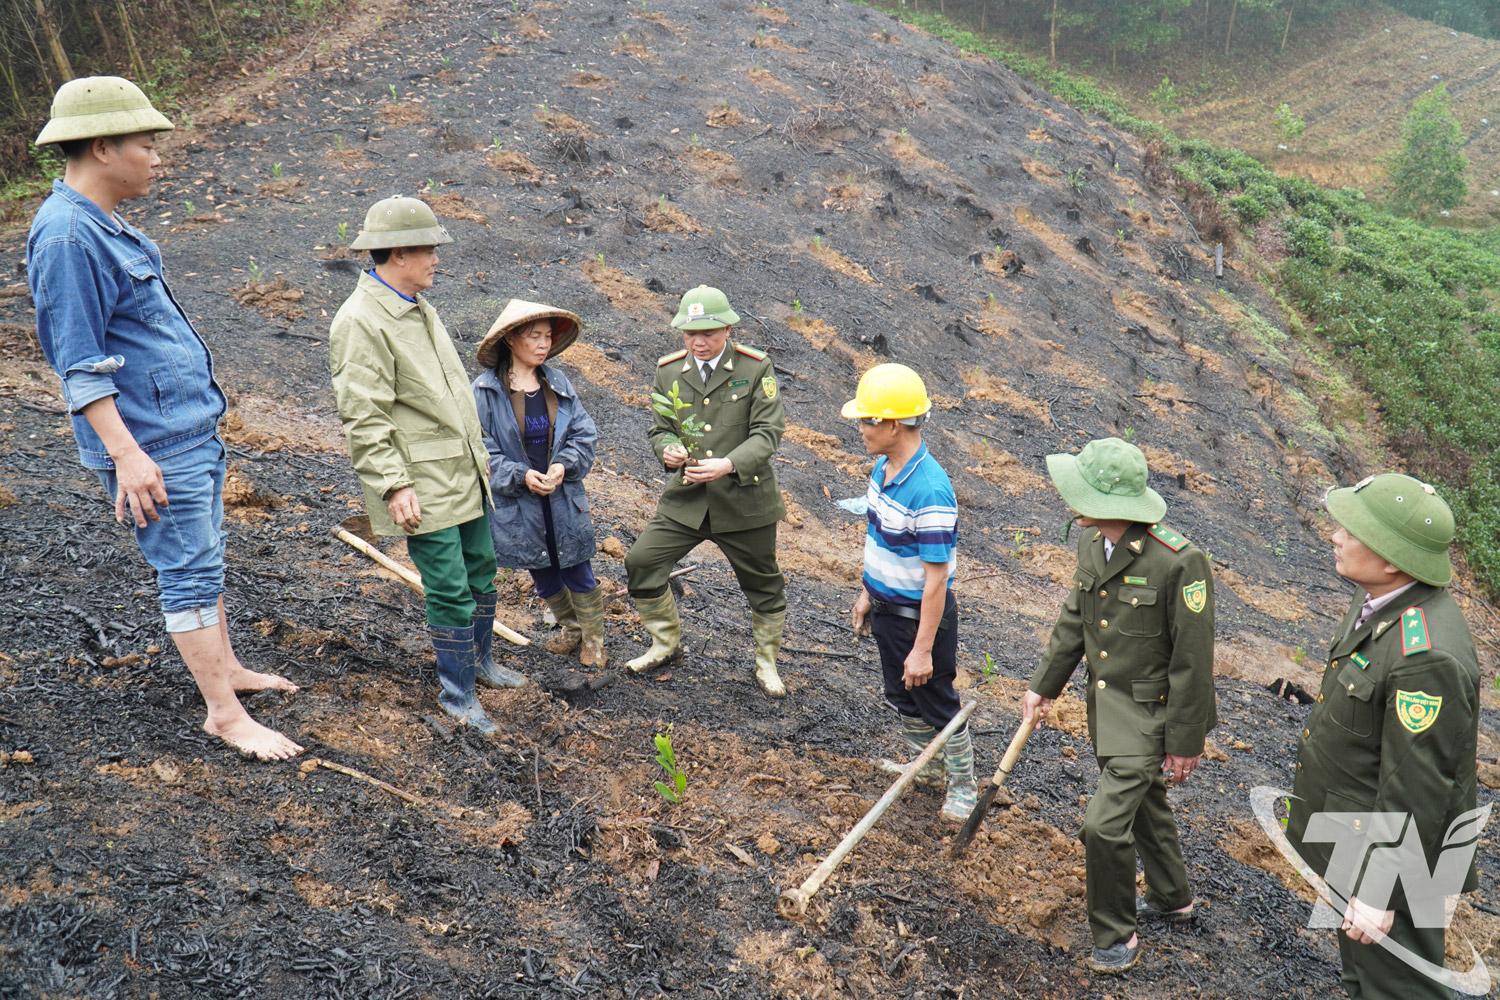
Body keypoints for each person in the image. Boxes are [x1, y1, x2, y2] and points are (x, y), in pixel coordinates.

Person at [27, 76, 301, 761]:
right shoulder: (65, 237)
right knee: (185, 568)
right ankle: (225, 716)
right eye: (147, 145)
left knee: (204, 560)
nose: (157, 157)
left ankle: (228, 672)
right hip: (150, 443)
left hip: (183, 432)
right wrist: (126, 453)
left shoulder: (103, 225)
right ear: (102, 145)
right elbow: (79, 363)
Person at [328, 196, 523, 735]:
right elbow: (363, 414)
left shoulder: (418, 305)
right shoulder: (361, 320)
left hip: (463, 469)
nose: (437, 258)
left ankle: (482, 663)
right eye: (427, 249)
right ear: (396, 253)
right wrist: (392, 484)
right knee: (448, 584)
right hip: (421, 481)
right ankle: (457, 696)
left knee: (482, 566)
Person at [1022, 437, 1216, 975]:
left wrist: (1184, 742)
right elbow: (1073, 619)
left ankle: (1117, 937)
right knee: (1145, 802)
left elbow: (1193, 662)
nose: (1068, 498)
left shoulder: (1180, 562)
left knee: (1104, 828)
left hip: (1153, 717)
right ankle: (1173, 897)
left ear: (1108, 501)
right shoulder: (1092, 544)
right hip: (1108, 710)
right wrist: (1046, 684)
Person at [1287, 474, 1480, 1000]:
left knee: (1399, 986)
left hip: (1398, 853)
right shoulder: (1381, 601)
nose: (1335, 536)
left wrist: (1380, 889)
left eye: (1352, 531)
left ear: (1392, 557)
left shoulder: (1427, 656)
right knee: (1363, 974)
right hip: (1358, 829)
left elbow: (1420, 785)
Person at [622, 285, 788, 697]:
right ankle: (665, 643)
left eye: (709, 333)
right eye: (690, 333)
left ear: (729, 329)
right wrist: (668, 449)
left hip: (744, 498)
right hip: (689, 498)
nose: (699, 342)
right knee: (641, 561)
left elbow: (768, 433)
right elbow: (660, 426)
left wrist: (729, 464)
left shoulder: (754, 369)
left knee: (763, 584)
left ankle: (766, 662)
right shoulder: (669, 370)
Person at [845, 364, 975, 823]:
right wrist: (866, 592)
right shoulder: (883, 467)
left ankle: (963, 786)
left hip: (920, 618)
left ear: (894, 425)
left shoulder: (930, 491)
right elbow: (878, 538)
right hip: (886, 610)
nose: (860, 429)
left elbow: (937, 580)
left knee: (936, 698)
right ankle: (928, 770)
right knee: (901, 696)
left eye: (867, 421)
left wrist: (923, 649)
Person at [472, 300, 606, 666]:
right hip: (520, 499)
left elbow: (583, 433)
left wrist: (563, 465)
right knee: (541, 568)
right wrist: (520, 475)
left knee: (576, 563)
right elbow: (480, 448)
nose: (543, 344)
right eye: (534, 336)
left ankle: (594, 639)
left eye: (547, 336)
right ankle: (572, 630)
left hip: (561, 493)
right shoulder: (484, 391)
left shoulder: (557, 382)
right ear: (512, 339)